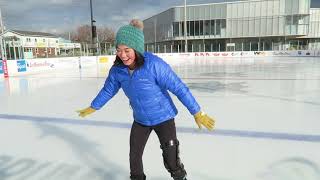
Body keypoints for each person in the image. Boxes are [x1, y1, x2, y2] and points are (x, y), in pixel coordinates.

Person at [77, 19, 215, 180]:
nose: (122, 55)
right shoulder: (117, 70)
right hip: (141, 119)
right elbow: (109, 89)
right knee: (134, 158)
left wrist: (197, 112)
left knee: (171, 160)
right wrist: (93, 106)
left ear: (137, 49)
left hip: (164, 117)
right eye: (118, 50)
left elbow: (179, 88)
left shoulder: (155, 65)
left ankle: (180, 177)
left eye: (127, 50)